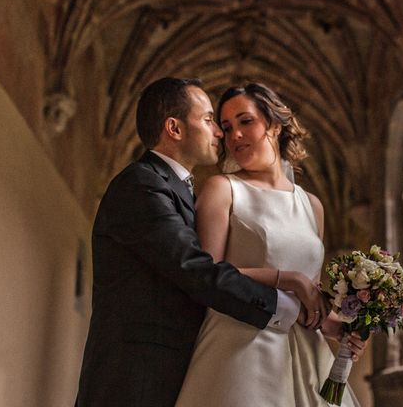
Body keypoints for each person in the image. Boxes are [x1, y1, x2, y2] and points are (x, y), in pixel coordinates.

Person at [75, 77, 331, 406]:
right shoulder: (142, 185)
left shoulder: (177, 188)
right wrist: (290, 291)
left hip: (174, 369)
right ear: (174, 128)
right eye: (211, 120)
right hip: (136, 376)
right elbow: (197, 270)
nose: (222, 134)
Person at [176, 82, 363, 406]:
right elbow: (207, 277)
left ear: (274, 125)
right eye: (226, 127)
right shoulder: (222, 189)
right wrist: (288, 279)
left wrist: (338, 327)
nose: (234, 135)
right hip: (239, 351)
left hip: (306, 356)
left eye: (245, 121)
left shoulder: (311, 205)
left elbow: (311, 296)